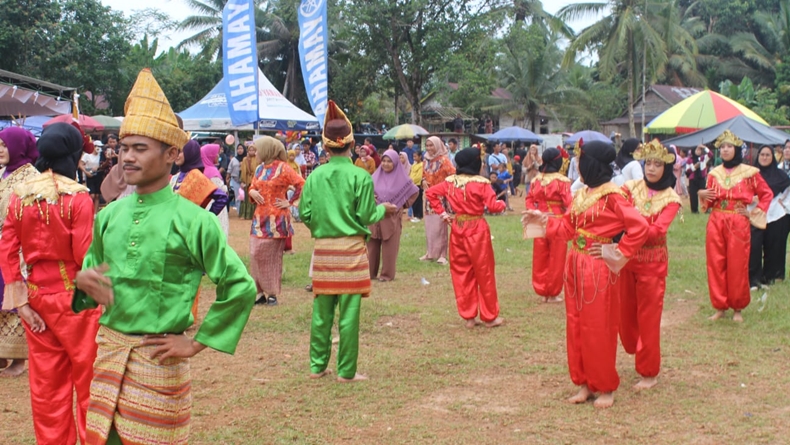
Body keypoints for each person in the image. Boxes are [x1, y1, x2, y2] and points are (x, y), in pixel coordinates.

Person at [72, 69, 255, 444]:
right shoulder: (108, 216)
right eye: (124, 148)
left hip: (158, 365)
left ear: (172, 154)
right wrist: (84, 285)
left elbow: (239, 285)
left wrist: (195, 342)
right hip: (107, 361)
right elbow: (93, 282)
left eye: (140, 148)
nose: (127, 157)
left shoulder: (193, 221)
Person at [523, 140, 649, 409]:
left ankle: (605, 387)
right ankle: (583, 383)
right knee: (576, 324)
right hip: (575, 263)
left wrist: (614, 251)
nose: (576, 165)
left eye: (580, 160)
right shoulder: (581, 194)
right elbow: (568, 228)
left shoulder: (613, 195)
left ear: (591, 163)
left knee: (599, 327)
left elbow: (640, 228)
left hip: (598, 268)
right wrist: (542, 219)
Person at [0, 122, 101, 444]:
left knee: (46, 388)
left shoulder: (20, 196)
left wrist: (21, 302)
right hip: (76, 301)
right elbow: (84, 253)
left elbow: (7, 250)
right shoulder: (78, 198)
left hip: (36, 300)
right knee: (89, 382)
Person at [299, 100, 397, 383]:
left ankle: (317, 367)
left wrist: (322, 225)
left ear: (325, 146)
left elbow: (305, 213)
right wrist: (384, 210)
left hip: (324, 252)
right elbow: (367, 214)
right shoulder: (360, 176)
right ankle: (346, 372)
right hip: (352, 251)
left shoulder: (315, 176)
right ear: (351, 144)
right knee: (349, 316)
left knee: (321, 312)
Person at [619, 140, 682, 391]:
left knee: (648, 319)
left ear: (667, 168)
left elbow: (658, 232)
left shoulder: (671, 198)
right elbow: (616, 212)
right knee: (625, 315)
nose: (652, 169)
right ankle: (636, 351)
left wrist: (630, 225)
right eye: (648, 163)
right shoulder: (629, 187)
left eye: (658, 164)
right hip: (626, 260)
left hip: (652, 264)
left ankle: (649, 371)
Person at [425, 147, 506, 328]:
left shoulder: (450, 182)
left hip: (458, 227)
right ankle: (490, 316)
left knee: (462, 271)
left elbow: (431, 193)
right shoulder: (482, 183)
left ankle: (469, 317)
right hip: (477, 229)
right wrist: (502, 204)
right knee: (483, 272)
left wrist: (443, 213)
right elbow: (493, 206)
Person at [698, 130, 773, 323]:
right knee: (716, 263)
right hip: (716, 220)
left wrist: (754, 213)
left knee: (737, 264)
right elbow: (708, 203)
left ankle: (737, 308)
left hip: (738, 220)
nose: (725, 150)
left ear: (737, 149)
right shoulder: (714, 174)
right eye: (722, 147)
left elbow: (766, 194)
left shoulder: (750, 173)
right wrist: (702, 196)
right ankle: (720, 306)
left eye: (729, 146)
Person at [0, 127, 40, 377]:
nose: (0, 150)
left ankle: (19, 360)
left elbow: (33, 217)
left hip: (19, 247)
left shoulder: (31, 178)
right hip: (2, 244)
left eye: (4, 145)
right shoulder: (4, 173)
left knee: (15, 298)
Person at [248, 136, 305, 306]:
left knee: (271, 257)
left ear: (267, 150)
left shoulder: (284, 168)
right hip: (259, 218)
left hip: (277, 220)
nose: (255, 153)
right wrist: (251, 192)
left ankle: (272, 293)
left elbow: (301, 184)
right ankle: (258, 293)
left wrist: (290, 201)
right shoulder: (259, 169)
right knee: (254, 254)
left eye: (257, 149)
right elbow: (252, 186)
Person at [524, 147, 572, 303]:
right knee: (556, 258)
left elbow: (529, 200)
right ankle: (553, 292)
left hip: (539, 220)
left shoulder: (537, 180)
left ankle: (543, 289)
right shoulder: (562, 181)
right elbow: (569, 203)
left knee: (540, 256)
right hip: (557, 221)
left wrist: (534, 211)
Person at [368, 149, 419, 282]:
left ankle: (386, 275)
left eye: (389, 161)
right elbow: (366, 191)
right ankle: (369, 273)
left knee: (390, 246)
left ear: (395, 163)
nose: (385, 164)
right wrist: (370, 198)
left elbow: (414, 191)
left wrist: (402, 204)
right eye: (384, 161)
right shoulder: (375, 176)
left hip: (391, 218)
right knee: (372, 245)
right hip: (374, 216)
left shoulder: (403, 179)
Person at [748, 146, 790, 288]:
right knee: (754, 247)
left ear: (772, 157)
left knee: (774, 246)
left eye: (768, 155)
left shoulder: (781, 176)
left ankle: (773, 276)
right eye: (762, 155)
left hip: (775, 215)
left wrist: (784, 205)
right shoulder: (750, 175)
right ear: (758, 156)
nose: (764, 157)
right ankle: (754, 278)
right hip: (754, 214)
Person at [421, 137, 456, 264]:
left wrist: (443, 187)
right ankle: (430, 252)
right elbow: (423, 176)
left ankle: (442, 254)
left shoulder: (444, 161)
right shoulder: (425, 161)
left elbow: (453, 176)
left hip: (441, 198)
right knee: (430, 226)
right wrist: (423, 181)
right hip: (428, 198)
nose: (429, 148)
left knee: (441, 227)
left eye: (432, 145)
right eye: (427, 145)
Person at [170, 140, 229, 216]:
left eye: (180, 152)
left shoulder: (196, 176)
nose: (176, 155)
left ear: (190, 153)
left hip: (190, 225)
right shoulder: (176, 176)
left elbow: (222, 197)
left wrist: (207, 217)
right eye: (175, 151)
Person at [201, 143, 230, 238]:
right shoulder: (212, 172)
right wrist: (226, 188)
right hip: (216, 205)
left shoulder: (201, 170)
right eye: (216, 154)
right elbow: (220, 190)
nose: (218, 156)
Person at [686, 145, 711, 213]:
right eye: (697, 150)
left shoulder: (703, 158)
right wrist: (694, 167)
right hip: (693, 179)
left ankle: (706, 208)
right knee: (693, 195)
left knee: (705, 194)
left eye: (700, 150)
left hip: (701, 178)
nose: (698, 151)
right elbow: (687, 172)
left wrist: (704, 147)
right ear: (693, 151)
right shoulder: (689, 160)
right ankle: (694, 210)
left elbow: (710, 154)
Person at [80, 141, 104, 213]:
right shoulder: (87, 155)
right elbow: (80, 164)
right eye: (97, 146)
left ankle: (95, 213)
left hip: (98, 175)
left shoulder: (101, 155)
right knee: (92, 195)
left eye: (100, 147)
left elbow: (103, 164)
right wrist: (86, 172)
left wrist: (99, 167)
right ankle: (89, 210)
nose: (99, 148)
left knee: (97, 195)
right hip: (90, 175)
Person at [239, 144, 259, 219]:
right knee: (247, 198)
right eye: (250, 150)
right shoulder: (245, 159)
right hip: (247, 180)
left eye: (253, 150)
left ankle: (254, 214)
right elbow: (243, 171)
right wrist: (243, 181)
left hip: (256, 180)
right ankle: (245, 215)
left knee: (254, 198)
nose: (251, 152)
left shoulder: (257, 159)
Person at [227, 144, 245, 211]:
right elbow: (229, 169)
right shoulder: (234, 159)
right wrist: (227, 178)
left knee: (245, 196)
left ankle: (245, 212)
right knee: (238, 196)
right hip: (235, 180)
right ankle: (239, 211)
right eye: (238, 149)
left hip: (245, 180)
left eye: (241, 148)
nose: (240, 150)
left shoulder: (246, 159)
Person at [409, 150, 424, 222]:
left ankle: (419, 215)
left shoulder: (422, 165)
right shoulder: (414, 165)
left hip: (417, 185)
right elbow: (411, 174)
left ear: (420, 156)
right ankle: (415, 215)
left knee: (418, 201)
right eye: (413, 156)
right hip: (412, 185)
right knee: (413, 201)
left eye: (415, 156)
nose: (414, 158)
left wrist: (412, 181)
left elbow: (419, 177)